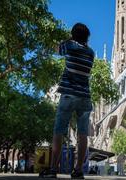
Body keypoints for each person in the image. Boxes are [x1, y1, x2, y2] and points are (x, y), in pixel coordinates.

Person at [39, 22, 94, 179]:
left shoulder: (69, 45)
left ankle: (53, 169)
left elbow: (56, 49)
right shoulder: (90, 52)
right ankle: (78, 170)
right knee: (83, 134)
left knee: (59, 130)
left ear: (73, 35)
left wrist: (66, 39)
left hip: (69, 94)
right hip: (85, 96)